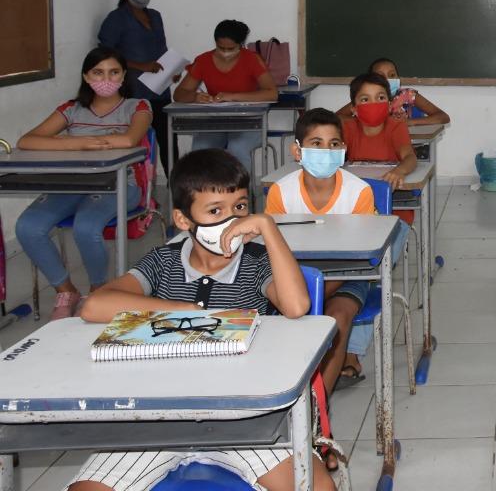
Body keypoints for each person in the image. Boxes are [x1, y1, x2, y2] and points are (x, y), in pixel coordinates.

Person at [73, 148, 330, 491]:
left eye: (239, 207)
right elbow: (94, 306)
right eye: (215, 211)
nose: (231, 220)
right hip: (160, 420)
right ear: (183, 220)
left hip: (243, 418)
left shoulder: (255, 263)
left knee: (317, 487)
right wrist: (194, 313)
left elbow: (296, 306)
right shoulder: (163, 261)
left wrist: (268, 229)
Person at [15, 46, 153, 320]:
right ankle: (66, 291)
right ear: (86, 77)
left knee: (86, 226)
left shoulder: (136, 106)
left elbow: (129, 140)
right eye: (98, 72)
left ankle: (99, 291)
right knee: (28, 226)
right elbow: (27, 141)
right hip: (71, 184)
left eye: (114, 72)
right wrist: (81, 143)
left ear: (124, 75)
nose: (106, 79)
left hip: (118, 184)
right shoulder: (71, 109)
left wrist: (62, 142)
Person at [265, 108, 376, 401]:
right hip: (296, 277)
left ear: (343, 150)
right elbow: (271, 249)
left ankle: (317, 412)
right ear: (297, 151)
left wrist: (318, 293)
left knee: (336, 318)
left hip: (348, 277)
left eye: (334, 144)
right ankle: (282, 385)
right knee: (275, 318)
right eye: (316, 143)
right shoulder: (280, 192)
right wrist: (305, 291)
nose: (326, 150)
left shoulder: (359, 192)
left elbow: (359, 259)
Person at [173, 19, 278, 171]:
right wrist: (195, 97)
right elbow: (179, 94)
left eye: (231, 49)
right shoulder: (203, 61)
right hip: (215, 122)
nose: (225, 53)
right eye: (220, 48)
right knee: (200, 149)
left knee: (238, 149)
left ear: (241, 45)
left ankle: (241, 193)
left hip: (249, 122)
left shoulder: (251, 59)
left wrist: (232, 96)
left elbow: (272, 93)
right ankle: (204, 193)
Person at [98, 0, 173, 173]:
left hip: (160, 90)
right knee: (139, 143)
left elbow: (162, 50)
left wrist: (172, 70)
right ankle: (139, 190)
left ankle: (178, 191)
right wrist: (141, 66)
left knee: (168, 143)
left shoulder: (155, 16)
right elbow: (105, 54)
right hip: (133, 91)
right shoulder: (117, 18)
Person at [342, 72, 417, 190]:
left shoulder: (396, 126)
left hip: (389, 190)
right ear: (354, 109)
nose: (374, 104)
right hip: (356, 190)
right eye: (365, 99)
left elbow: (410, 157)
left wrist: (399, 171)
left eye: (381, 98)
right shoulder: (349, 128)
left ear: (389, 105)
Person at [336, 57, 450, 126]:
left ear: (398, 78)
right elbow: (336, 118)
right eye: (380, 76)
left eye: (392, 75)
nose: (387, 80)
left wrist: (410, 122)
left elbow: (443, 117)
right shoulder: (365, 97)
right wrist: (363, 122)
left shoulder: (407, 95)